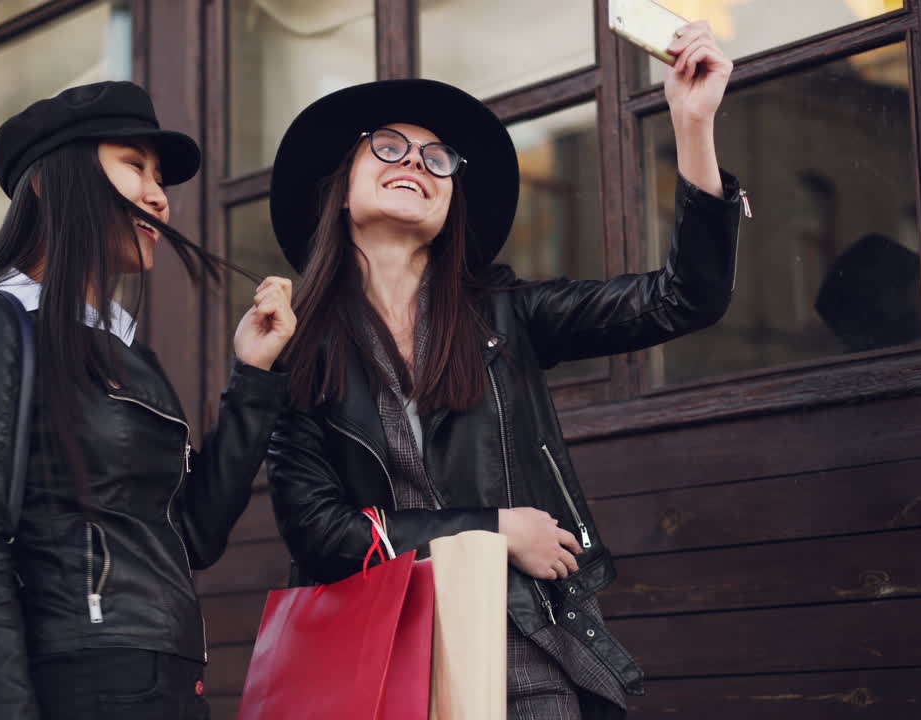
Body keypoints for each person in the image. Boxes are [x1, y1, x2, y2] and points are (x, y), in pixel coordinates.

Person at [265, 23, 742, 719]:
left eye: (437, 158)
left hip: (519, 645)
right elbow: (322, 534)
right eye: (389, 147)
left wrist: (692, 125)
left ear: (453, 202)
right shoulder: (292, 348)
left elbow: (683, 299)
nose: (417, 163)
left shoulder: (508, 316)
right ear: (339, 189)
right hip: (370, 661)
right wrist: (494, 530)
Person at [0, 81, 295, 720]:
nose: (158, 196)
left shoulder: (127, 352)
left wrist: (253, 378)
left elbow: (194, 536)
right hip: (71, 681)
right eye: (134, 165)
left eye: (160, 177)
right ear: (49, 182)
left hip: (170, 685)